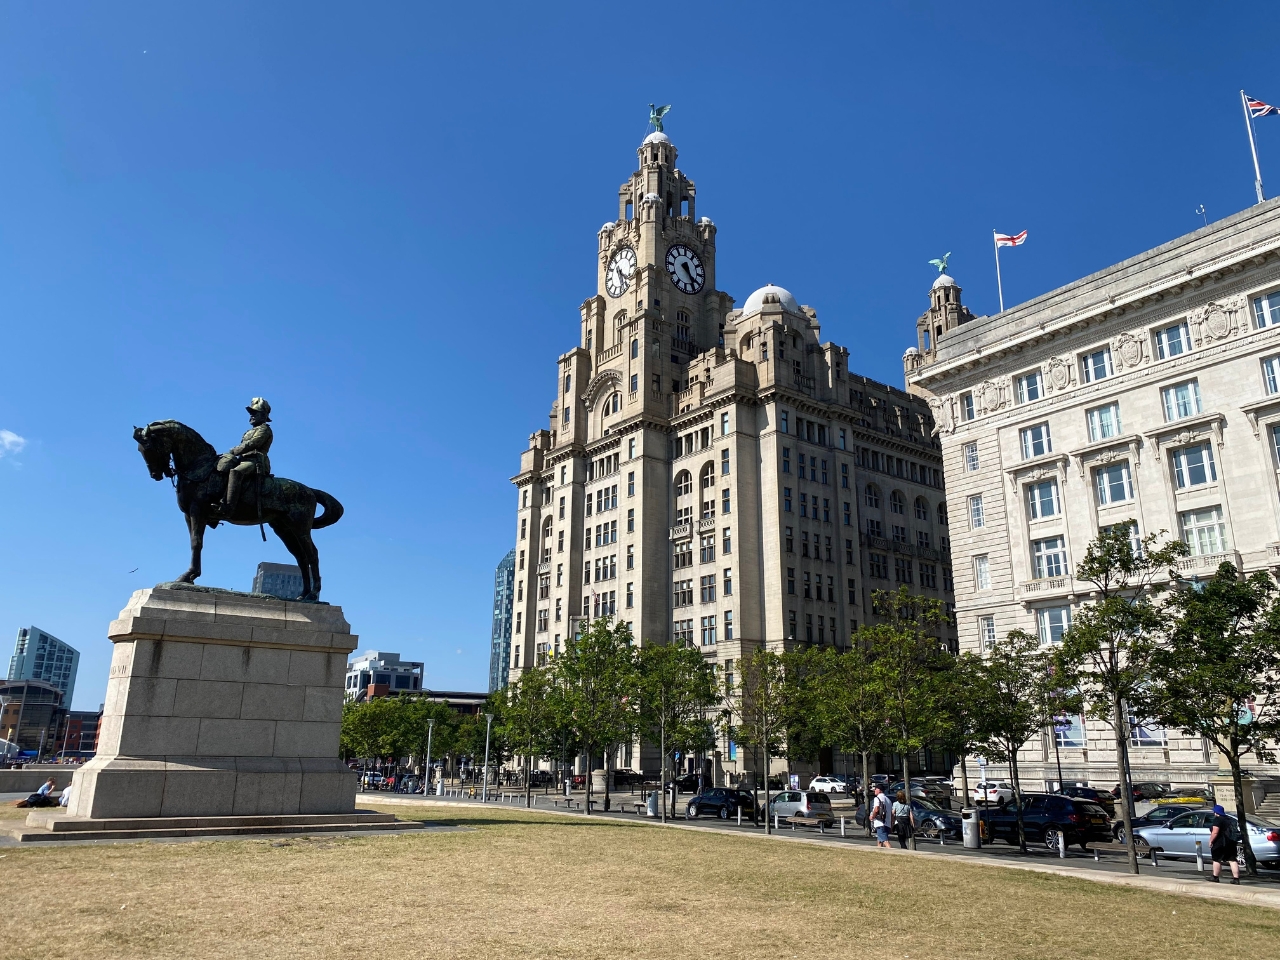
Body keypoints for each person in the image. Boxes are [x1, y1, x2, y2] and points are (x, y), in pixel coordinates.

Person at [217, 398, 273, 516]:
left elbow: (253, 444)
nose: (251, 416)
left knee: (236, 472)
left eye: (255, 413)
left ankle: (228, 507)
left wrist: (234, 450)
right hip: (243, 460)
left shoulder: (264, 429)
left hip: (255, 462)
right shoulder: (249, 431)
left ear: (263, 416)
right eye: (251, 414)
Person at [1208, 804, 1241, 884]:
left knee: (1217, 859)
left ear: (1216, 812)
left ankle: (1215, 877)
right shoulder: (1230, 819)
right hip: (1231, 842)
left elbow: (1215, 832)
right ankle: (1236, 879)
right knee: (1232, 860)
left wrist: (1211, 841)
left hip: (1220, 842)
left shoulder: (1218, 819)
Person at [870, 784, 893, 848]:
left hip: (880, 822)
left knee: (885, 841)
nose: (874, 790)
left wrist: (872, 816)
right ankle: (879, 850)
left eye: (876, 789)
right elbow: (891, 813)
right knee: (880, 840)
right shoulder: (888, 800)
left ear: (879, 790)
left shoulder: (877, 798)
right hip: (887, 823)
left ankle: (892, 852)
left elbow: (876, 809)